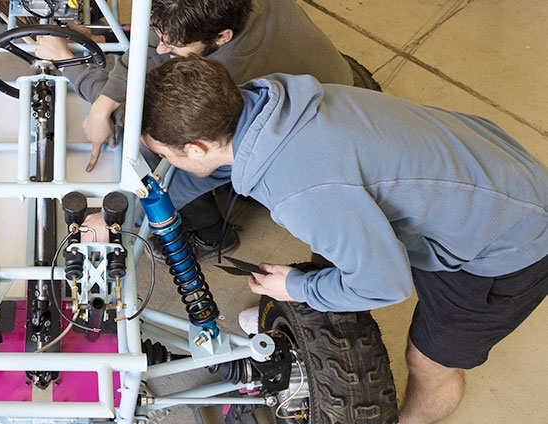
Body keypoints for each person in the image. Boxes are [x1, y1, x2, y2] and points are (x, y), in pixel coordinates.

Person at [141, 55, 548, 423]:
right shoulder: (269, 106)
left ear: (195, 147)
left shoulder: (302, 190)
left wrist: (295, 285)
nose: (167, 164)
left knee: (428, 362)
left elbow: (385, 285)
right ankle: (306, 320)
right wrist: (133, 208)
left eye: (166, 155)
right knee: (331, 244)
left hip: (506, 244)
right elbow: (216, 168)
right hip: (487, 168)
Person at [36, 0, 360, 260]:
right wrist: (103, 102)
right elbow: (157, 42)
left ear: (221, 39)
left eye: (174, 45)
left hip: (306, 138)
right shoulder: (213, 16)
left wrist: (70, 65)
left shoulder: (230, 74)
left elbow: (143, 118)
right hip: (335, 83)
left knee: (159, 150)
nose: (162, 49)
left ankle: (212, 235)